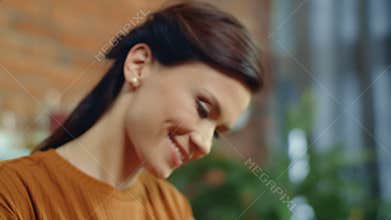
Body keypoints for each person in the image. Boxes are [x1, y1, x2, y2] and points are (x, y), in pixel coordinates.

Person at [0, 1, 264, 219]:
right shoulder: (15, 194)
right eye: (202, 109)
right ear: (139, 66)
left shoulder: (174, 209)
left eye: (217, 132)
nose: (205, 145)